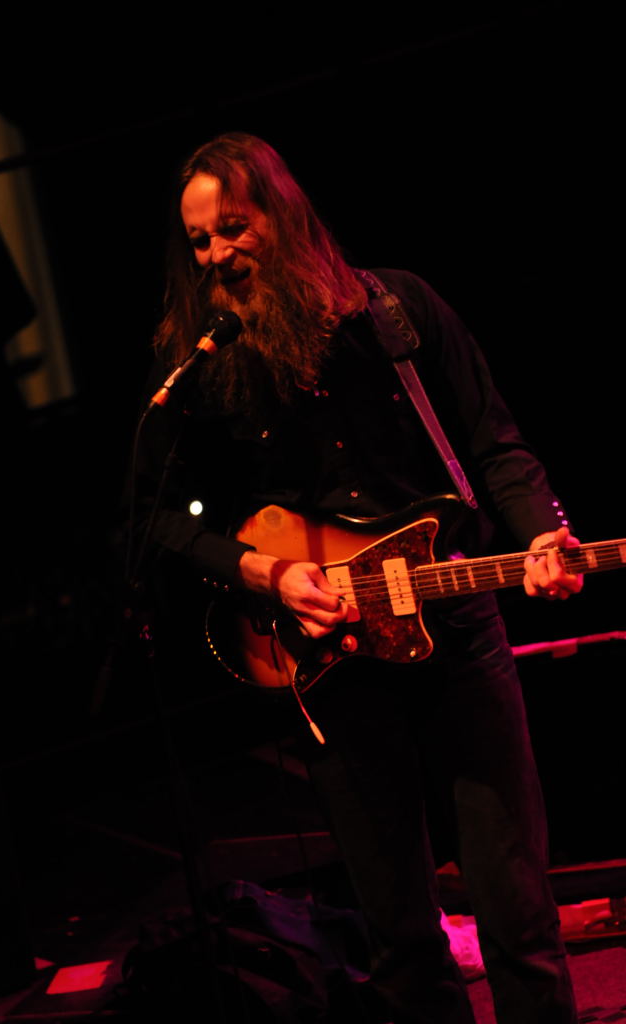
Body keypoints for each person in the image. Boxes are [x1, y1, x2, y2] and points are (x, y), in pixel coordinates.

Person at [135, 132, 582, 1023]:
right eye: (199, 240)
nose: (216, 254)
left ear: (283, 215)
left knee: (517, 910)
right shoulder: (200, 356)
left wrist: (542, 535)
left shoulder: (396, 309)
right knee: (400, 935)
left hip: (457, 635)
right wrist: (264, 573)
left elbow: (494, 443)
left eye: (233, 227)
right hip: (332, 664)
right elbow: (159, 517)